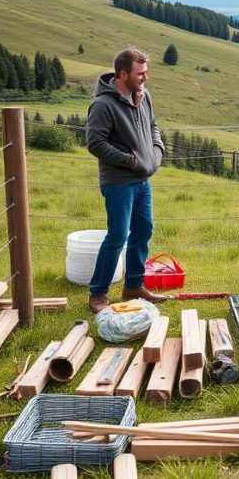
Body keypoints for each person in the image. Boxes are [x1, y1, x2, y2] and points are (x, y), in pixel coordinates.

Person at [86, 47, 169, 313]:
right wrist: (131, 161)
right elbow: (95, 143)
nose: (145, 77)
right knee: (118, 236)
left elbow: (153, 126)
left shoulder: (144, 97)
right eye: (140, 73)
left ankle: (133, 285)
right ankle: (98, 293)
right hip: (118, 181)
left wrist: (157, 151)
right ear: (123, 73)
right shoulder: (103, 105)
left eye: (146, 72)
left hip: (143, 181)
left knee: (143, 230)